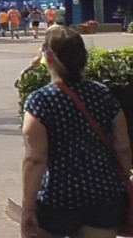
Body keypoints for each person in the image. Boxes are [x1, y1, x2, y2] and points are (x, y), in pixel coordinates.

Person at [21, 27, 131, 238]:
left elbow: (35, 158)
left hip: (56, 198)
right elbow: (123, 147)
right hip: (103, 195)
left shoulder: (40, 101)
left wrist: (27, 207)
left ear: (48, 57)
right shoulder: (103, 94)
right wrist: (121, 180)